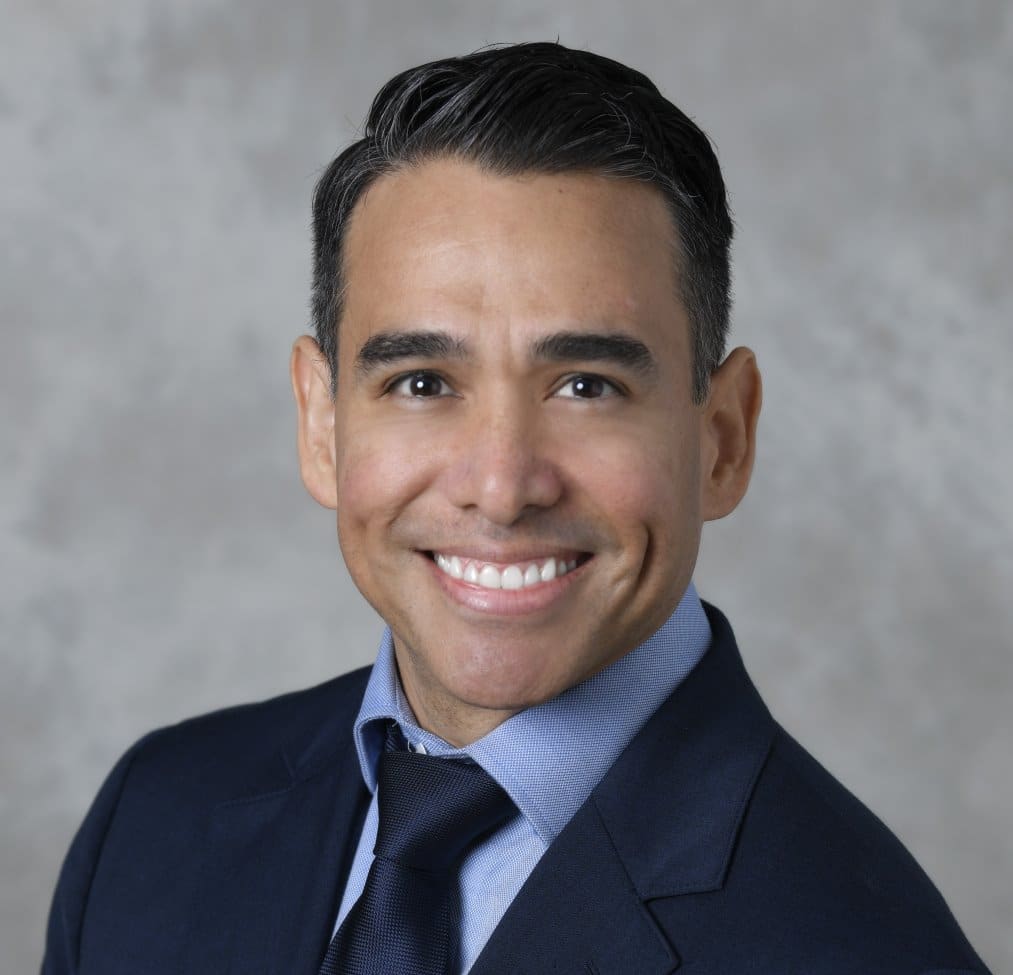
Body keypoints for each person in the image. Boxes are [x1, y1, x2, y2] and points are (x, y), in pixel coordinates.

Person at [42, 41, 991, 975]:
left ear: (722, 439)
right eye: (420, 382)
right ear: (321, 426)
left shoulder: (862, 946)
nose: (500, 487)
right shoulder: (152, 824)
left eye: (585, 385)